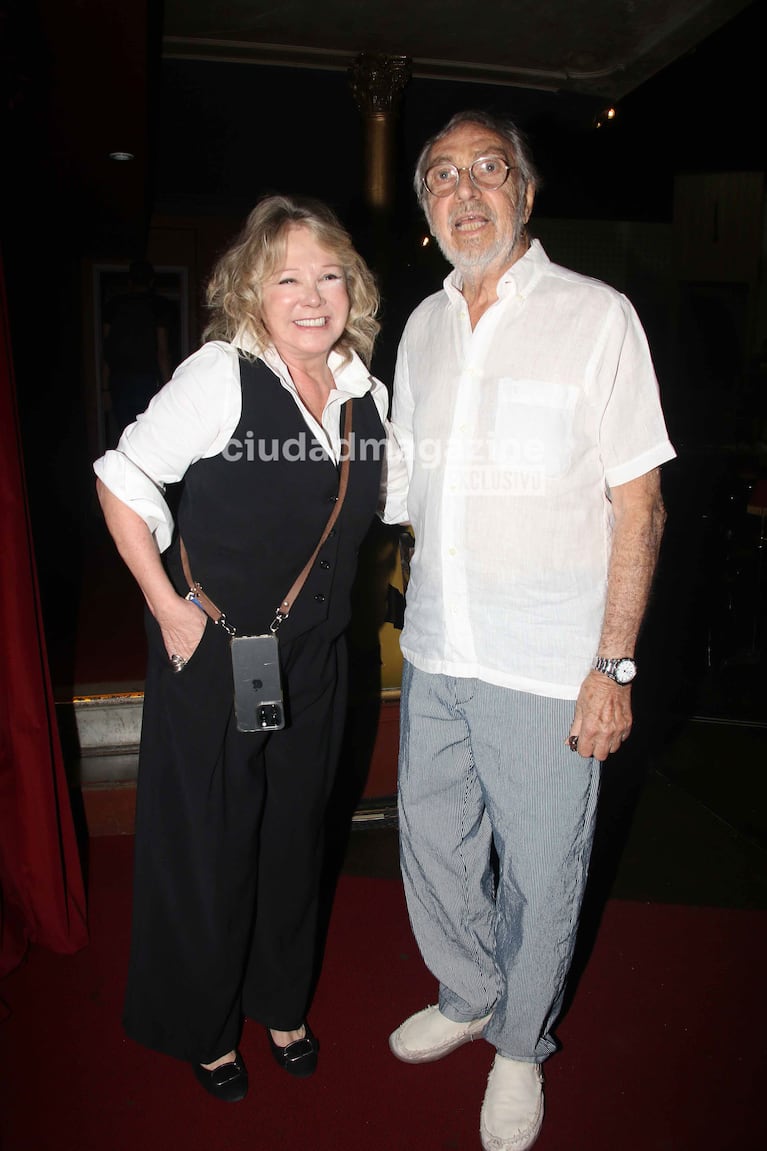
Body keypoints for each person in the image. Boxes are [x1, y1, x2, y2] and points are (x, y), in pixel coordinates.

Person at [381, 110, 676, 1150]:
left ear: (525, 192)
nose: (465, 191)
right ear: (425, 210)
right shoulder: (419, 326)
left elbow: (637, 505)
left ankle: (517, 1044)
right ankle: (466, 988)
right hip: (434, 651)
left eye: (487, 170)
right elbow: (401, 490)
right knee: (432, 840)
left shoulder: (596, 317)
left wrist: (613, 662)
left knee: (544, 864)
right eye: (442, 177)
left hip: (551, 662)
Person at [93, 194, 399, 1101]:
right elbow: (123, 477)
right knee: (210, 842)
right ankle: (202, 1019)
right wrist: (167, 607)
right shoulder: (222, 375)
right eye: (288, 277)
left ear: (354, 288)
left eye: (330, 275)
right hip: (217, 646)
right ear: (251, 292)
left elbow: (405, 500)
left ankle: (279, 996)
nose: (313, 295)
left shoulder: (362, 391)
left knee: (295, 835)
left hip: (316, 659)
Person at [101, 259, 173, 437]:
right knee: (148, 436)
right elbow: (162, 351)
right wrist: (168, 387)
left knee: (126, 435)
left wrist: (104, 388)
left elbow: (106, 349)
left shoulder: (114, 306)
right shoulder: (158, 306)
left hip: (120, 380)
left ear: (130, 282)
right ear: (151, 282)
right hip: (146, 380)